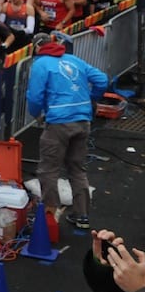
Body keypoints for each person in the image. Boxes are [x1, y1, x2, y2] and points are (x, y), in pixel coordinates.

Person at [26, 31, 108, 229]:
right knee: (77, 168)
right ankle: (82, 216)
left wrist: (36, 114)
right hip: (82, 120)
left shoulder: (40, 64)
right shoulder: (74, 59)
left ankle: (49, 218)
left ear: (37, 48)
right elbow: (102, 80)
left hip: (59, 122)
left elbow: (35, 96)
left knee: (48, 170)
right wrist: (92, 99)